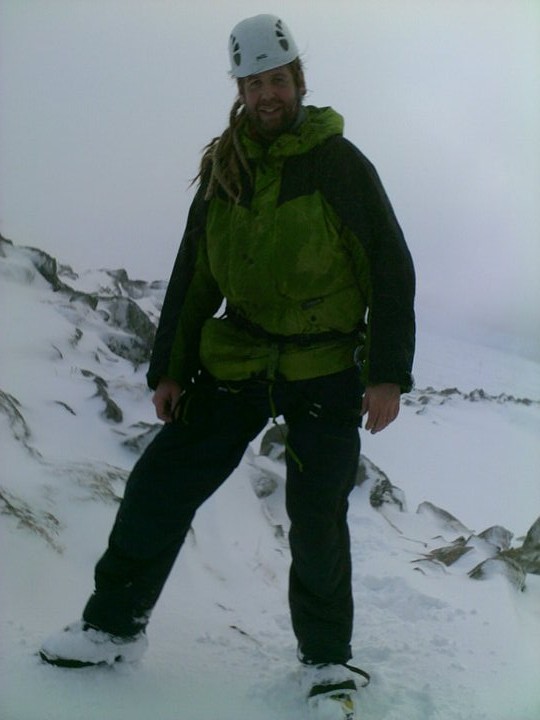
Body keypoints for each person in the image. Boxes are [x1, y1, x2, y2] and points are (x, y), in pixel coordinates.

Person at [40, 13, 415, 712]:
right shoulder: (226, 169)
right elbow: (194, 276)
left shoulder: (338, 164)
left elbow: (388, 267)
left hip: (322, 366)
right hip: (237, 358)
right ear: (239, 90)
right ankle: (111, 628)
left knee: (316, 515)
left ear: (298, 81)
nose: (267, 94)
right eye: (253, 83)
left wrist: (386, 373)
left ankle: (326, 662)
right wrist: (170, 369)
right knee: (159, 484)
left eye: (278, 80)